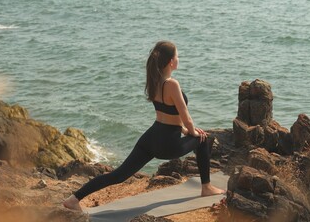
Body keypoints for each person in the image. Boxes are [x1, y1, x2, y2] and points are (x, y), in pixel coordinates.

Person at [63, 41, 225, 211]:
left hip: (151, 137)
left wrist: (185, 131)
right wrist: (194, 133)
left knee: (118, 175)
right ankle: (206, 187)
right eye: (177, 56)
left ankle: (74, 198)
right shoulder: (172, 84)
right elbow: (186, 118)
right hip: (168, 144)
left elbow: (166, 115)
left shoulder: (154, 80)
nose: (179, 59)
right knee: (203, 140)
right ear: (171, 61)